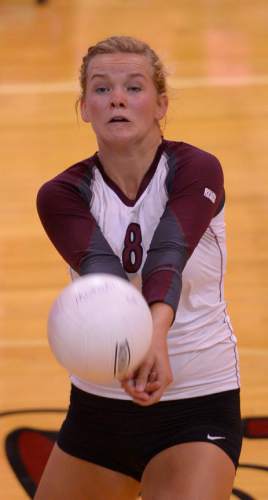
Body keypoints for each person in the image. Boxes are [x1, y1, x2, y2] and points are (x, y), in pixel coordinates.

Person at [34, 35, 242, 500]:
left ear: (161, 103)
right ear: (84, 107)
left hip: (196, 401)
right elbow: (103, 273)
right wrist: (138, 344)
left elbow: (169, 252)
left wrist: (154, 339)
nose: (118, 99)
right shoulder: (61, 194)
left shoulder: (197, 169)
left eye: (134, 86)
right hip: (99, 409)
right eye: (102, 89)